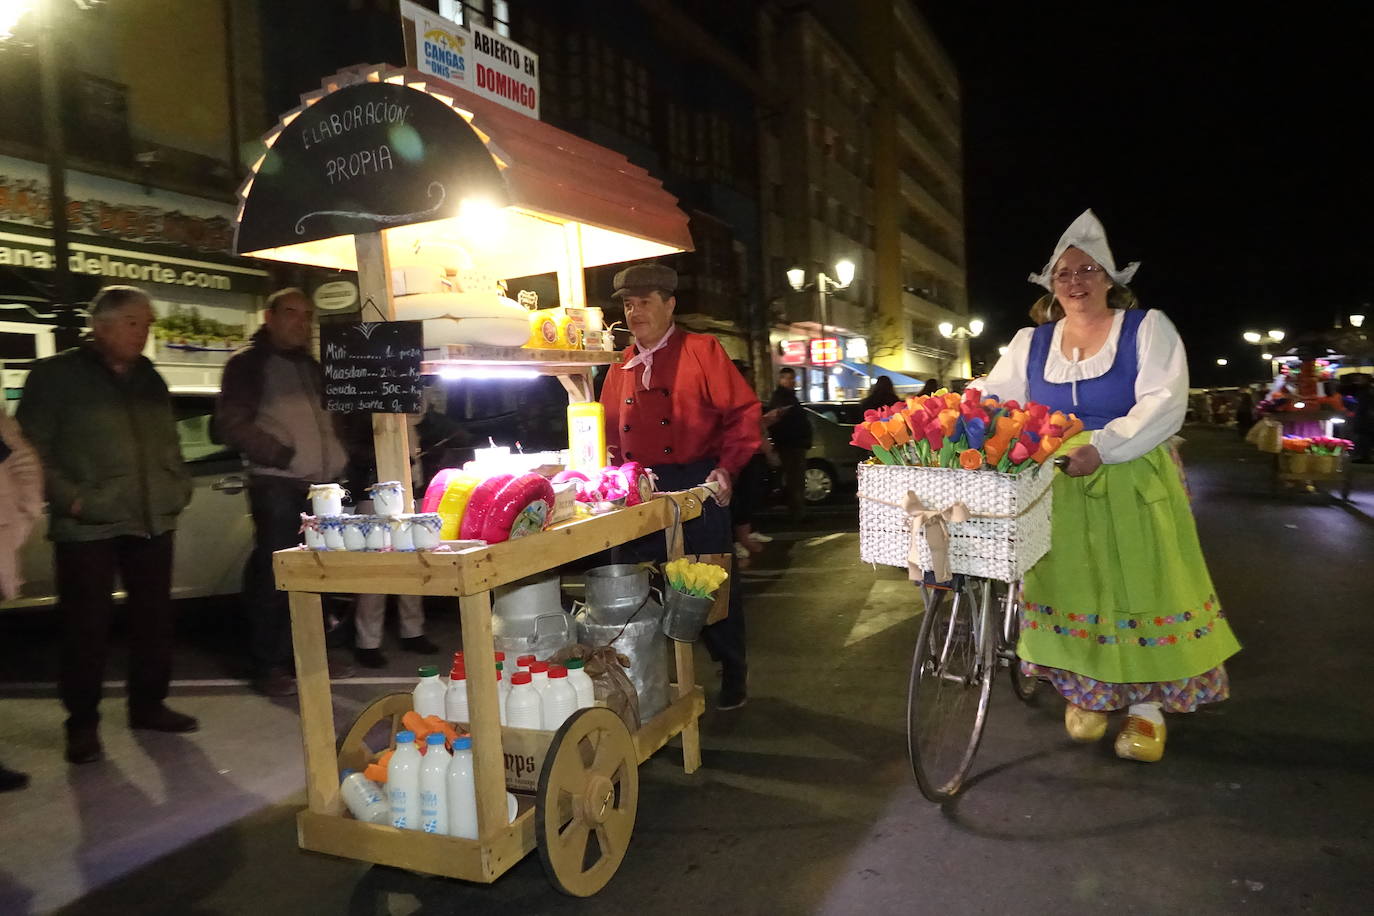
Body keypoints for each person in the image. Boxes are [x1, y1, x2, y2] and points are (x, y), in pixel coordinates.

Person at [982, 209, 1240, 763]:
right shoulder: (1030, 341)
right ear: (1051, 285)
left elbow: (1163, 403)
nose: (1076, 282)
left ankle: (1145, 711)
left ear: (1110, 280)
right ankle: (1088, 695)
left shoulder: (1147, 328)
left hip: (1131, 473)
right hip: (1054, 480)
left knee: (1139, 587)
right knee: (1067, 587)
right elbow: (996, 401)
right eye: (1065, 273)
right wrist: (958, 430)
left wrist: (1104, 445)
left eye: (1088, 270)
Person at [18, 285, 200, 764]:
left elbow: (169, 442)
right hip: (87, 526)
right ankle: (82, 723)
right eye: (135, 323)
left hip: (151, 517)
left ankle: (149, 704)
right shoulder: (55, 377)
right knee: (86, 629)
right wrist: (72, 501)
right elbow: (30, 450)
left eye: (147, 324)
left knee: (154, 621)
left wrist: (177, 485)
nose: (144, 333)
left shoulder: (149, 379)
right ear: (101, 325)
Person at [601, 264, 761, 709]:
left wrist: (726, 469)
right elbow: (608, 430)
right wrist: (606, 478)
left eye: (645, 303)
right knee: (632, 585)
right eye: (629, 305)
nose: (635, 313)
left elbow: (744, 414)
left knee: (709, 583)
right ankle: (642, 677)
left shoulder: (702, 350)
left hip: (696, 484)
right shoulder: (620, 365)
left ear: (670, 305)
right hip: (638, 488)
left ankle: (732, 668)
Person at [216, 288, 354, 697]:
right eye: (292, 313)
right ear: (269, 316)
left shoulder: (311, 367)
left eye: (307, 315)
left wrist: (344, 454)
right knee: (274, 577)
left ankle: (308, 656)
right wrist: (281, 454)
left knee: (318, 576)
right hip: (279, 485)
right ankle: (267, 664)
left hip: (322, 488)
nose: (301, 322)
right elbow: (230, 424)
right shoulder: (248, 364)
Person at [0, 409, 43, 788]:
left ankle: (273, 651)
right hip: (272, 494)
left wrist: (18, 524)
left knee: (276, 577)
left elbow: (24, 465)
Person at [765, 367, 811, 523]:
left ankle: (798, 512)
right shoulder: (782, 398)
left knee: (796, 480)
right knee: (794, 480)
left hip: (793, 444)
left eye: (792, 378)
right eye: (787, 378)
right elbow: (778, 423)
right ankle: (797, 514)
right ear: (780, 379)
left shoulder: (789, 397)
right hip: (790, 445)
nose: (791, 381)